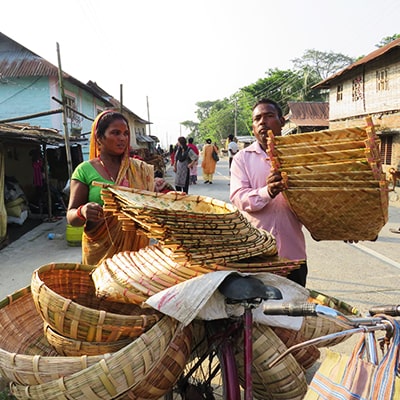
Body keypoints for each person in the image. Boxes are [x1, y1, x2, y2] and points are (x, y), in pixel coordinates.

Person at [229, 98, 307, 286]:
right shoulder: (242, 159)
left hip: (293, 256)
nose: (263, 122)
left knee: (293, 311)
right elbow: (238, 198)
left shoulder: (301, 155)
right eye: (257, 119)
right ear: (253, 127)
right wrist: (267, 192)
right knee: (257, 313)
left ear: (282, 121)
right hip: (256, 257)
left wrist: (344, 227)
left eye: (269, 116)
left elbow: (320, 199)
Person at [66, 110, 155, 265]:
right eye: (115, 133)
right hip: (100, 251)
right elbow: (71, 217)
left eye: (126, 133)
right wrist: (83, 211)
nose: (122, 138)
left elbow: (152, 206)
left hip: (135, 254)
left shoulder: (139, 170)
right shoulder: (85, 170)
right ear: (99, 138)